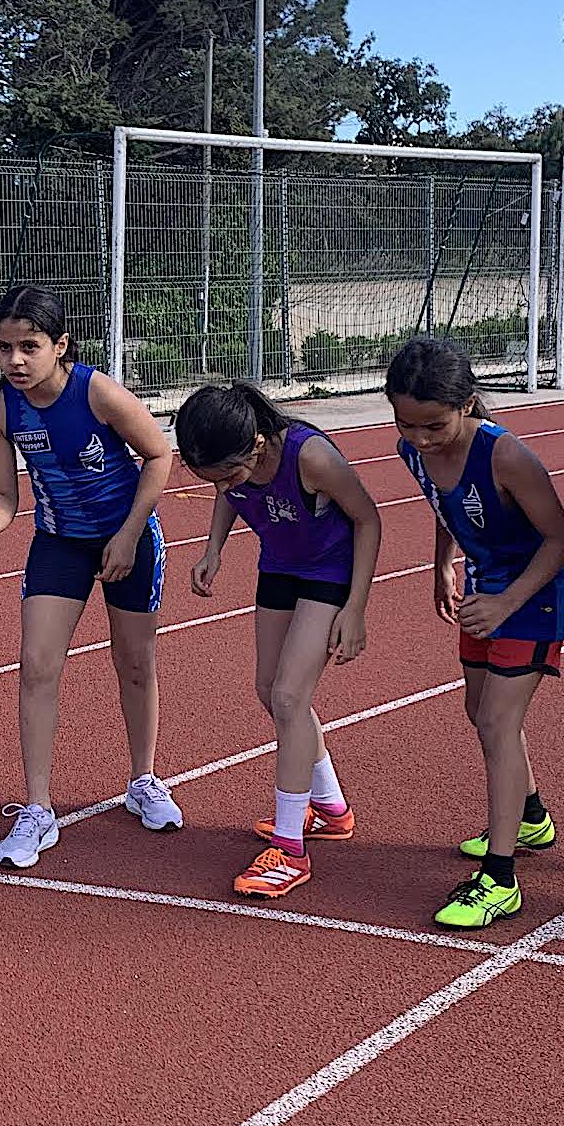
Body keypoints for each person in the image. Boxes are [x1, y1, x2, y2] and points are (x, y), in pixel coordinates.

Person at [0, 285, 183, 869]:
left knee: (134, 663)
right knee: (38, 665)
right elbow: (3, 492)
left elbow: (159, 456)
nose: (14, 360)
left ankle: (143, 778)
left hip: (127, 537)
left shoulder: (97, 392)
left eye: (29, 347)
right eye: (4, 348)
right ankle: (38, 809)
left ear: (60, 345)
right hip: (59, 543)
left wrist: (129, 533)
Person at [388, 339, 564, 929]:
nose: (419, 437)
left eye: (433, 425)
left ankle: (500, 879)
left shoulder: (507, 457)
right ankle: (530, 815)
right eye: (407, 423)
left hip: (532, 593)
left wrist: (505, 604)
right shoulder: (412, 449)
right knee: (480, 710)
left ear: (468, 405)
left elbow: (562, 540)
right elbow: (442, 507)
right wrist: (441, 562)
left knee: (498, 721)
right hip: (482, 586)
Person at [176, 380, 380, 901]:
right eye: (211, 477)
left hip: (328, 572)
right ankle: (331, 809)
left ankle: (290, 849)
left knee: (291, 697)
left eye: (229, 472)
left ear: (258, 444)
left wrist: (354, 608)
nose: (222, 484)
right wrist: (213, 550)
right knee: (270, 692)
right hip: (280, 567)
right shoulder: (229, 467)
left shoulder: (310, 456)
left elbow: (368, 519)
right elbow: (229, 495)